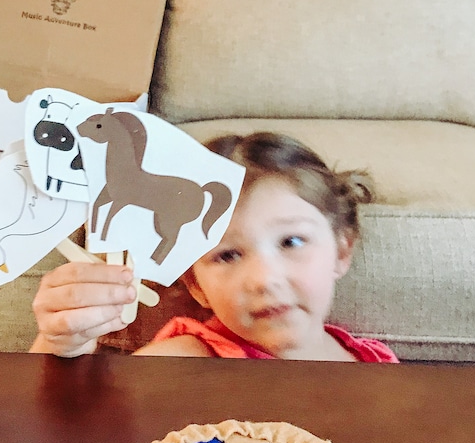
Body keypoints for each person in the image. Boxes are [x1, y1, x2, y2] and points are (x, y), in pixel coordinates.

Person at [30, 131, 398, 362]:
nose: (263, 280)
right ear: (195, 285)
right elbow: (69, 429)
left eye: (292, 241)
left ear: (342, 251)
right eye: (227, 255)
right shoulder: (186, 362)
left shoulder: (375, 364)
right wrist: (62, 345)